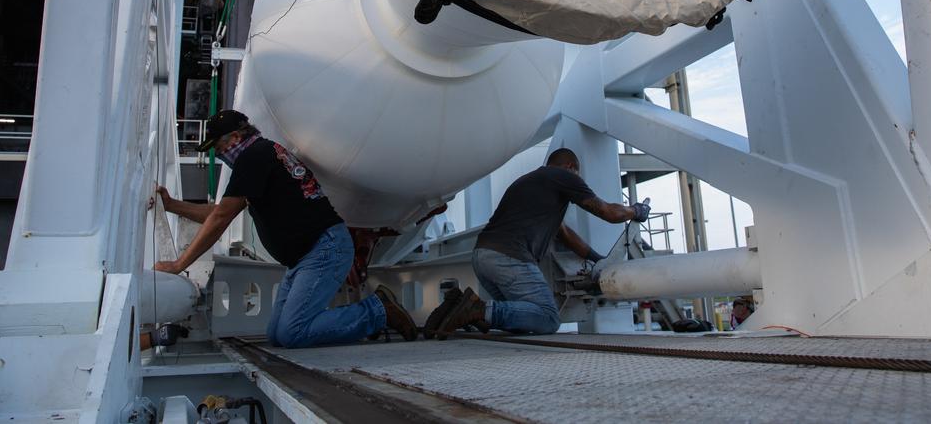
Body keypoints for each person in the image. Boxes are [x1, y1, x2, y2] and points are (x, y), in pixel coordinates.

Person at [154, 109, 417, 347]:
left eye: (219, 146)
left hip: (323, 249)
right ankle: (368, 314)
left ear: (235, 137)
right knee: (278, 336)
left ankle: (378, 311)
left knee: (293, 332)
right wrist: (172, 205)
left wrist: (179, 264)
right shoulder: (263, 153)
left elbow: (221, 218)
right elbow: (219, 213)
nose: (219, 154)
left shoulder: (252, 157)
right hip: (310, 255)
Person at [426, 147, 648, 337]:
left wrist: (597, 259)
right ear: (570, 167)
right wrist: (635, 210)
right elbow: (608, 212)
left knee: (521, 321)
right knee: (548, 318)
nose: (578, 180)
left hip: (482, 258)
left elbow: (564, 234)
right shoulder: (564, 177)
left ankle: (454, 304)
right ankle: (477, 309)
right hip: (509, 258)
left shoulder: (530, 183)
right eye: (577, 175)